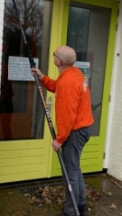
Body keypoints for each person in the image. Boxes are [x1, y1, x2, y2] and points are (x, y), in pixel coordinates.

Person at [32, 45, 94, 216]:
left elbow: (67, 115)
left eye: (54, 55)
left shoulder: (68, 81)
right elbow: (57, 86)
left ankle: (71, 212)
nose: (53, 56)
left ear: (58, 61)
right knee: (74, 168)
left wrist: (60, 139)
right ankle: (80, 207)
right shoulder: (74, 74)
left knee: (70, 172)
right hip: (82, 128)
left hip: (75, 131)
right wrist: (43, 78)